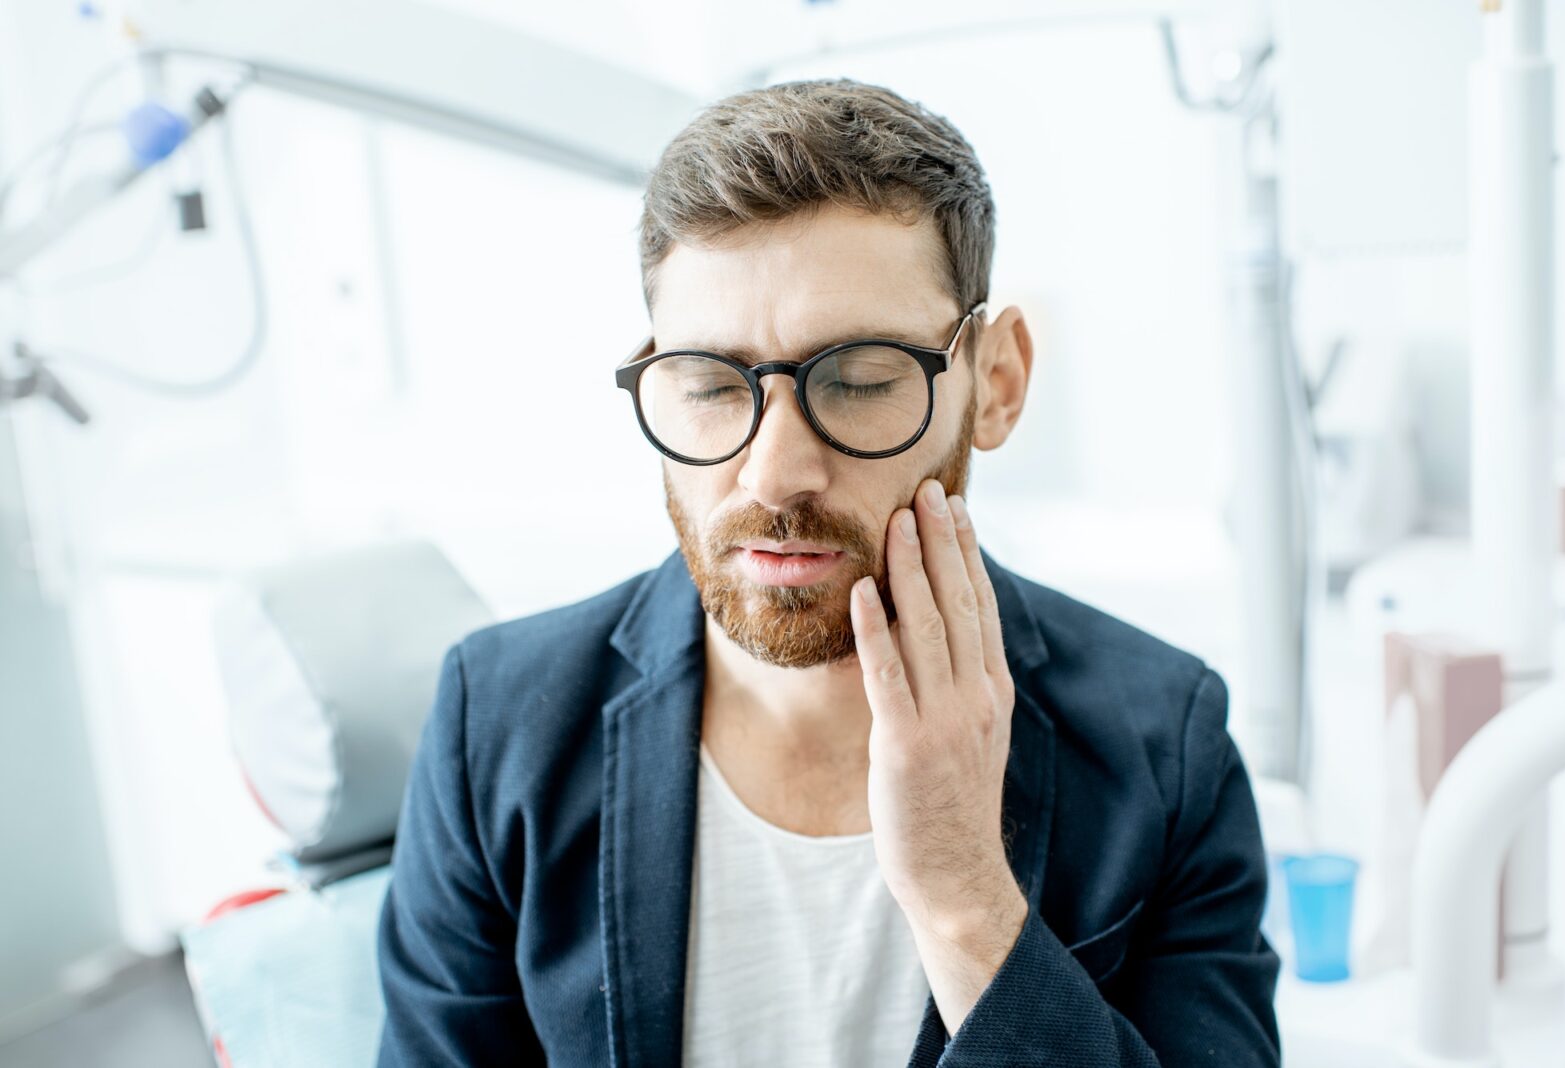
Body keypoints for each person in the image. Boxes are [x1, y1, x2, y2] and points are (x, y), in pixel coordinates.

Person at [376, 77, 1281, 1067]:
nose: (775, 473)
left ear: (996, 382)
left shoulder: (1163, 747)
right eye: (712, 386)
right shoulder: (496, 724)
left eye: (856, 380)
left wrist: (966, 901)